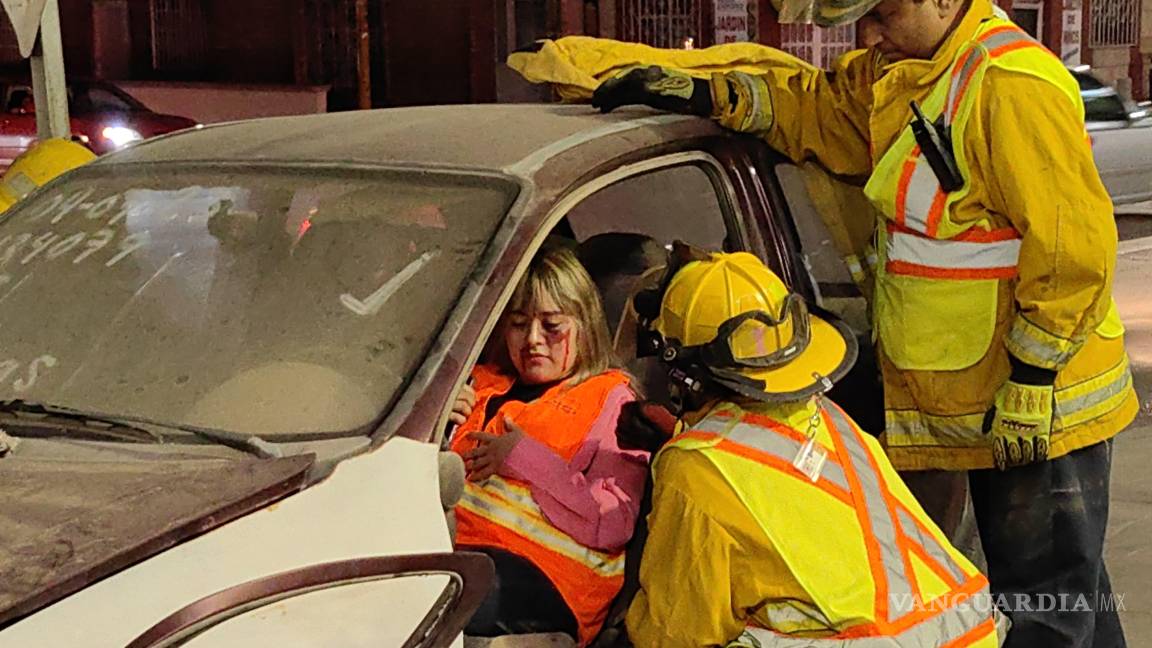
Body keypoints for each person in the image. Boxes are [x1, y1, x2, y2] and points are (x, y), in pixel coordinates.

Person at [591, 0, 1136, 645]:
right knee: (1071, 594)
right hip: (978, 388)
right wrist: (711, 92)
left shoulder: (1009, 84)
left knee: (1046, 607)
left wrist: (1034, 374)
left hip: (1044, 399)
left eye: (883, 12)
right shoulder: (903, 73)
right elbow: (821, 116)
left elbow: (1074, 245)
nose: (868, 33)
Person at [620, 247, 1001, 647]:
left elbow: (678, 632)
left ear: (681, 371)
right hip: (968, 633)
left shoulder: (695, 469)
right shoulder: (828, 419)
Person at [449, 244, 649, 646]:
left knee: (427, 597)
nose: (533, 340)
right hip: (456, 555)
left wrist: (523, 458)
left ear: (585, 324)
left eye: (552, 326)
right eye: (519, 324)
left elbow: (611, 523)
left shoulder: (612, 401)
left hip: (551, 584)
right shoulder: (479, 382)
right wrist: (440, 425)